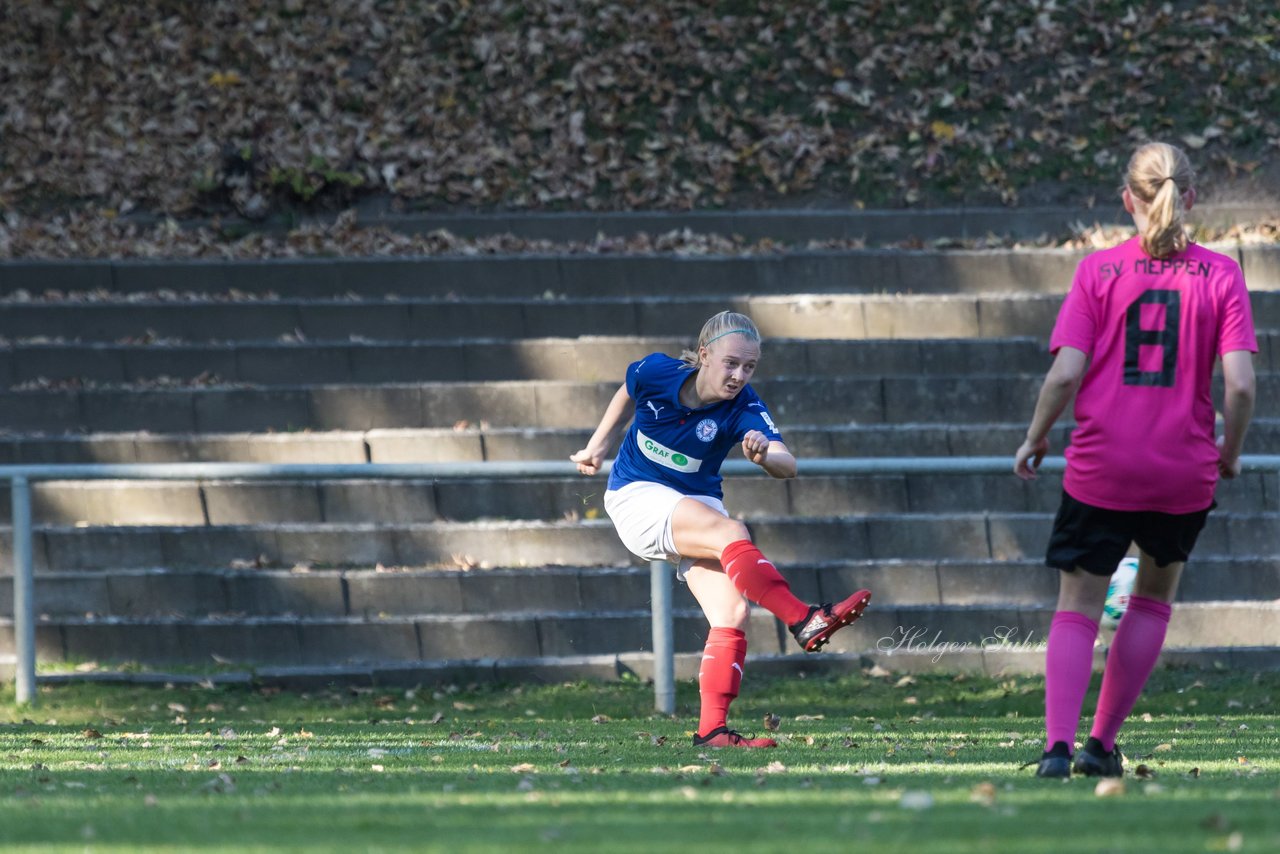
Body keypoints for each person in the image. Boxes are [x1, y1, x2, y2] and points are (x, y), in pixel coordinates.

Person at [1014, 142, 1257, 778]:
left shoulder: (1098, 271)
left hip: (1102, 465)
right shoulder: (1223, 275)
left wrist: (1036, 437)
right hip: (1183, 469)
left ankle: (1058, 749)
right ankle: (1102, 746)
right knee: (1152, 600)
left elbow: (1066, 374)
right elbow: (1239, 386)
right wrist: (1227, 455)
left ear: (1128, 199)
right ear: (1192, 198)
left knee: (1077, 605)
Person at [571, 310, 872, 749]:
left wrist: (765, 455)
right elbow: (628, 389)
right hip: (637, 495)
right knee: (734, 532)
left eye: (749, 367)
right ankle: (802, 618)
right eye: (731, 363)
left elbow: (788, 464)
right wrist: (598, 445)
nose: (738, 375)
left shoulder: (744, 406)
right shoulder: (658, 371)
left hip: (694, 504)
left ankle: (712, 730)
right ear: (704, 355)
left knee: (732, 614)